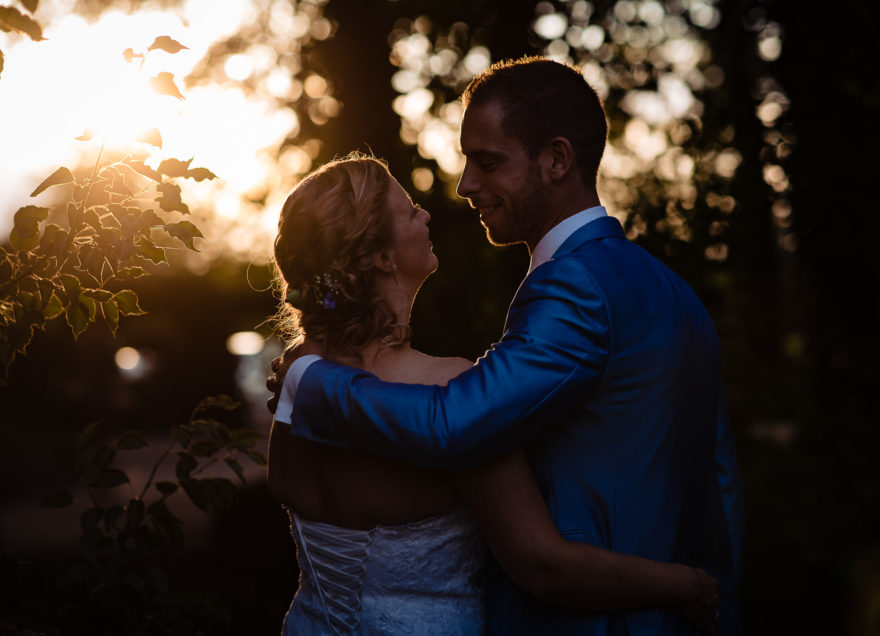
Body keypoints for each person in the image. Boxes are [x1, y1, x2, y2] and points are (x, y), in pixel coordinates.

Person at [276, 57, 744, 634]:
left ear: (556, 159)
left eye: (487, 162)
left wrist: (309, 379)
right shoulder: (673, 292)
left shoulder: (573, 287)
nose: (464, 185)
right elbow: (717, 476)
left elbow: (457, 422)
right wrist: (703, 586)